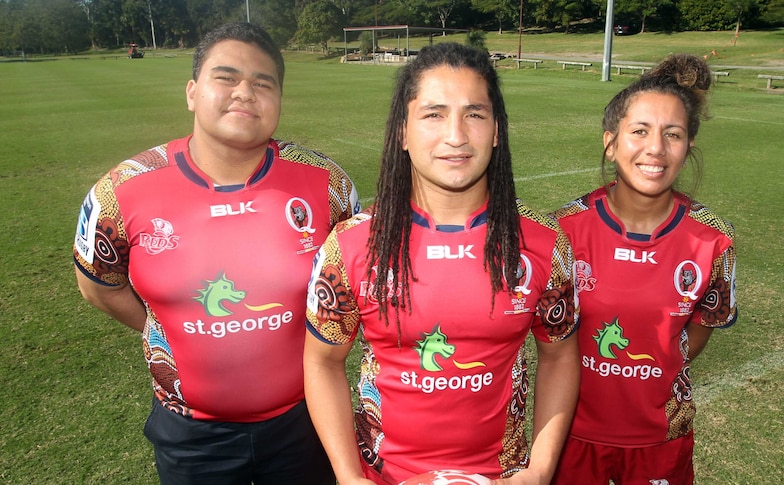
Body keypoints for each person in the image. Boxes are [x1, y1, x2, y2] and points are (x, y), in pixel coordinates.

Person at [73, 22, 359, 484]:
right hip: (190, 436)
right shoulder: (121, 189)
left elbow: (352, 288)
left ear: (279, 101)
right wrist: (164, 326)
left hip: (308, 425)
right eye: (226, 77)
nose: (245, 92)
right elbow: (97, 286)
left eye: (263, 83)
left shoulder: (328, 184)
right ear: (192, 91)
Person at [303, 42, 580, 485]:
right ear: (403, 132)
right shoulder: (351, 244)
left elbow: (560, 356)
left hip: (502, 477)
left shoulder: (544, 242)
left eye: (474, 114)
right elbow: (321, 362)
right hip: (384, 477)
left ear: (496, 131)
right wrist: (347, 476)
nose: (456, 135)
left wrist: (541, 469)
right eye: (433, 114)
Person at [550, 53, 738, 485]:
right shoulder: (562, 230)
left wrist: (652, 367)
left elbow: (702, 325)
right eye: (640, 131)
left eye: (673, 134)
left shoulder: (714, 239)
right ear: (611, 141)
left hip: (661, 440)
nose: (656, 148)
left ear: (688, 146)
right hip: (569, 434)